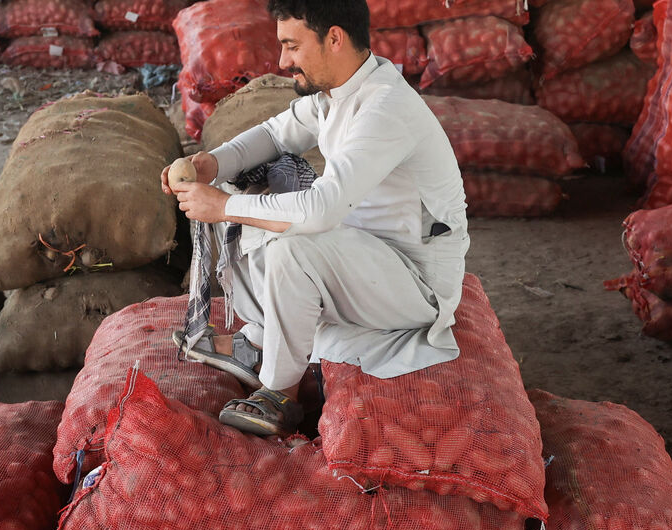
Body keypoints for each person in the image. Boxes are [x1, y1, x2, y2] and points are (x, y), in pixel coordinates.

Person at [162, 0, 469, 437]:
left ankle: (279, 394)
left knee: (288, 238)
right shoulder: (335, 95)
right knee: (240, 196)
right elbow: (273, 133)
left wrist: (222, 206)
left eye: (291, 46)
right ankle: (261, 341)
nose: (283, 61)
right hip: (361, 260)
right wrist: (212, 164)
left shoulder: (385, 108)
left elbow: (321, 210)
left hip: (414, 284)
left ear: (335, 38)